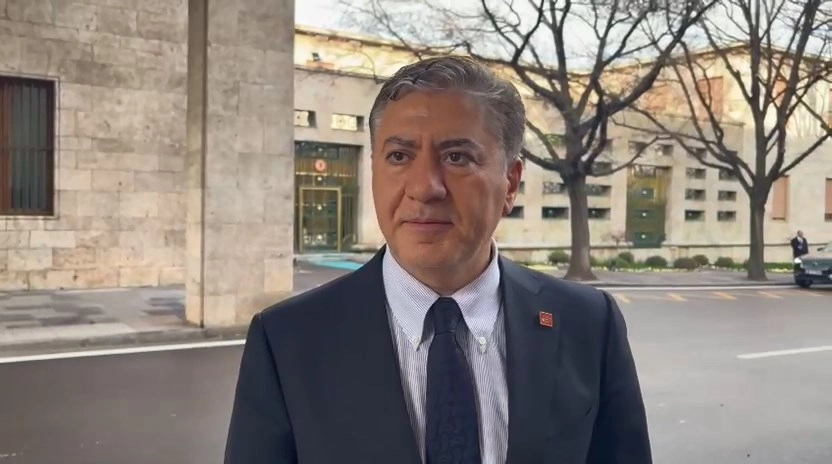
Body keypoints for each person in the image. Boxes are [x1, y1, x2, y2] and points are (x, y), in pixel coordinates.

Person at [224, 56, 652, 464]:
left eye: (456, 157)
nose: (425, 187)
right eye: (399, 156)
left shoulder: (589, 324)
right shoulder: (288, 340)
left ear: (510, 183)